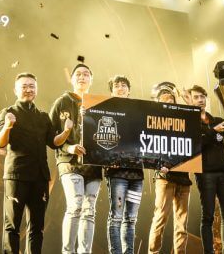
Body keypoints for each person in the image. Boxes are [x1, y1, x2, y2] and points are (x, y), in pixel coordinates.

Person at [0, 73, 73, 254]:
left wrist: (67, 131)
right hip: (17, 176)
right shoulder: (8, 113)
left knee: (37, 227)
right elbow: (0, 142)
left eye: (32, 86)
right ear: (15, 90)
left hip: (40, 177)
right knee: (12, 225)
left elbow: (54, 143)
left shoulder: (43, 117)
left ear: (36, 89)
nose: (28, 89)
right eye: (24, 86)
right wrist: (7, 126)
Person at [186, 85, 224, 254]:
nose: (200, 100)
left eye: (202, 97)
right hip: (205, 174)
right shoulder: (190, 123)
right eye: (196, 97)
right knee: (208, 216)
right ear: (190, 100)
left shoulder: (216, 120)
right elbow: (195, 145)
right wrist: (214, 131)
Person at [51, 63, 102, 254]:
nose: (82, 77)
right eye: (78, 74)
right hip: (69, 162)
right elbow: (50, 137)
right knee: (75, 206)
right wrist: (69, 147)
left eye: (86, 74)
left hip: (93, 164)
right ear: (71, 79)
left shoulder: (99, 104)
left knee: (89, 211)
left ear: (91, 79)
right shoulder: (61, 102)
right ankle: (68, 252)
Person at [148, 81, 193, 254]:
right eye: (164, 99)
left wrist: (189, 103)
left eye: (171, 99)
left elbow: (194, 137)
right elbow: (148, 146)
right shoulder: (153, 121)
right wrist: (158, 165)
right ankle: (153, 252)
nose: (168, 101)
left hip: (183, 177)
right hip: (165, 177)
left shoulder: (183, 119)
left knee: (182, 224)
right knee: (160, 218)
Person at [104, 75, 144, 254]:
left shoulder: (139, 111)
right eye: (116, 86)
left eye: (123, 85)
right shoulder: (104, 110)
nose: (120, 88)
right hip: (117, 173)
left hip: (137, 174)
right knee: (116, 217)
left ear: (129, 90)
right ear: (111, 91)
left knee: (131, 219)